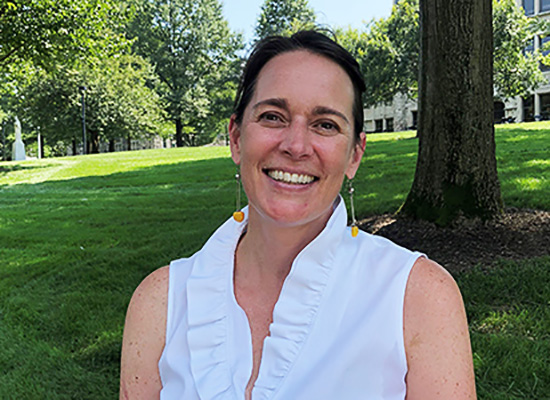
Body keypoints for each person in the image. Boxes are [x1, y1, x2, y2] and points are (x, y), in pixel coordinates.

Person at [120, 30, 477, 400]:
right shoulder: (160, 303)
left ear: (355, 154)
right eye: (273, 116)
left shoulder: (418, 297)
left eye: (325, 124)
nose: (295, 146)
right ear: (236, 139)